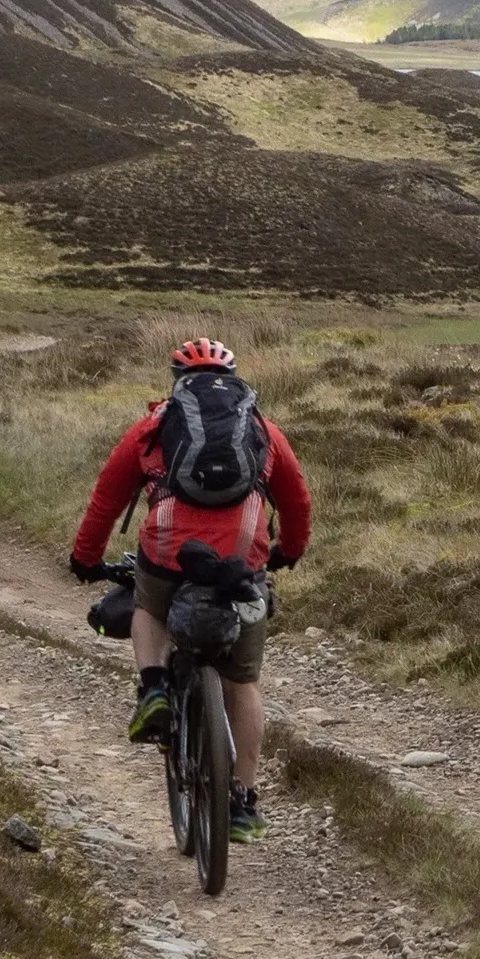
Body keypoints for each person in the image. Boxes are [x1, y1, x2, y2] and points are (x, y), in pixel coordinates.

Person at [67, 337, 312, 834]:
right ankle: (241, 801)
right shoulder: (265, 433)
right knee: (242, 684)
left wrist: (85, 559)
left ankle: (154, 688)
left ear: (178, 385)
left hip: (166, 555)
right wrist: (289, 550)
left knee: (148, 606)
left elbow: (106, 499)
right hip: (242, 562)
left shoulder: (152, 431)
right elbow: (299, 503)